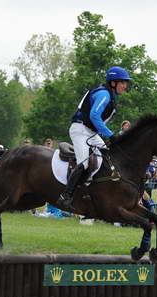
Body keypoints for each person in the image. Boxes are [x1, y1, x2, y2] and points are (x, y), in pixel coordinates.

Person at [57, 66, 132, 211]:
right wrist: (110, 135)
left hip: (90, 132)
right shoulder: (104, 94)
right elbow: (94, 116)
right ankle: (66, 196)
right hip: (80, 130)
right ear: (113, 82)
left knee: (107, 155)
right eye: (122, 82)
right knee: (84, 163)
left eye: (125, 83)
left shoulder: (109, 95)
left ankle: (93, 190)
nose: (125, 86)